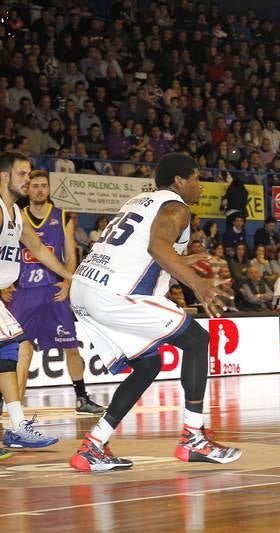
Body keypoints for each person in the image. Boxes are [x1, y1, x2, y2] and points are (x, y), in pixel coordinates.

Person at [68, 153, 241, 472]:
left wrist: (188, 263)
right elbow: (157, 249)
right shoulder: (177, 206)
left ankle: (93, 445)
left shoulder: (139, 201)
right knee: (197, 340)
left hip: (83, 289)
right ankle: (193, 438)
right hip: (115, 294)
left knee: (149, 365)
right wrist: (198, 283)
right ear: (179, 181)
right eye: (196, 179)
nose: (200, 187)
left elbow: (145, 254)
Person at [9, 170, 104, 413]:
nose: (39, 189)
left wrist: (68, 282)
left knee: (71, 346)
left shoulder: (62, 217)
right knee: (18, 349)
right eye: (35, 185)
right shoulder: (16, 216)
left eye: (43, 185)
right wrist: (6, 284)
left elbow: (71, 255)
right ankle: (9, 401)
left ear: (49, 190)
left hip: (54, 290)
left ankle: (81, 397)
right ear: (28, 189)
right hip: (24, 291)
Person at [0, 152, 73, 456]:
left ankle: (16, 427)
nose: (27, 180)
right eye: (22, 174)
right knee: (11, 347)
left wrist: (71, 276)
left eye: (29, 174)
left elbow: (40, 250)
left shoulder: (14, 212)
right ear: (4, 176)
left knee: (9, 351)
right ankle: (16, 427)